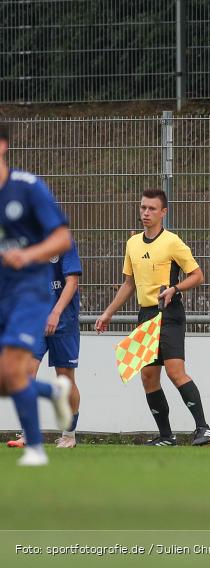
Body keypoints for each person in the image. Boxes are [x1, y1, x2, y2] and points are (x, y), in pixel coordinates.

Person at [94, 188, 210, 446]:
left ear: (163, 212)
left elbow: (197, 275)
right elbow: (129, 283)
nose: (146, 213)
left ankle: (204, 428)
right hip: (146, 315)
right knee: (148, 376)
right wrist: (107, 313)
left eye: (151, 209)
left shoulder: (172, 241)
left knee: (175, 371)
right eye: (143, 208)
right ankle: (166, 436)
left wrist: (175, 288)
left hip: (169, 313)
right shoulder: (132, 243)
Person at [0, 122, 74, 466]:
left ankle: (35, 449)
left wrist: (27, 255)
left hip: (29, 292)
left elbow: (62, 239)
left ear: (3, 146)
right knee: (8, 380)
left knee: (14, 369)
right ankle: (53, 391)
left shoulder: (28, 188)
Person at [8, 239, 83, 449]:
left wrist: (56, 312)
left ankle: (69, 435)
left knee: (65, 380)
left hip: (63, 321)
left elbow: (72, 281)